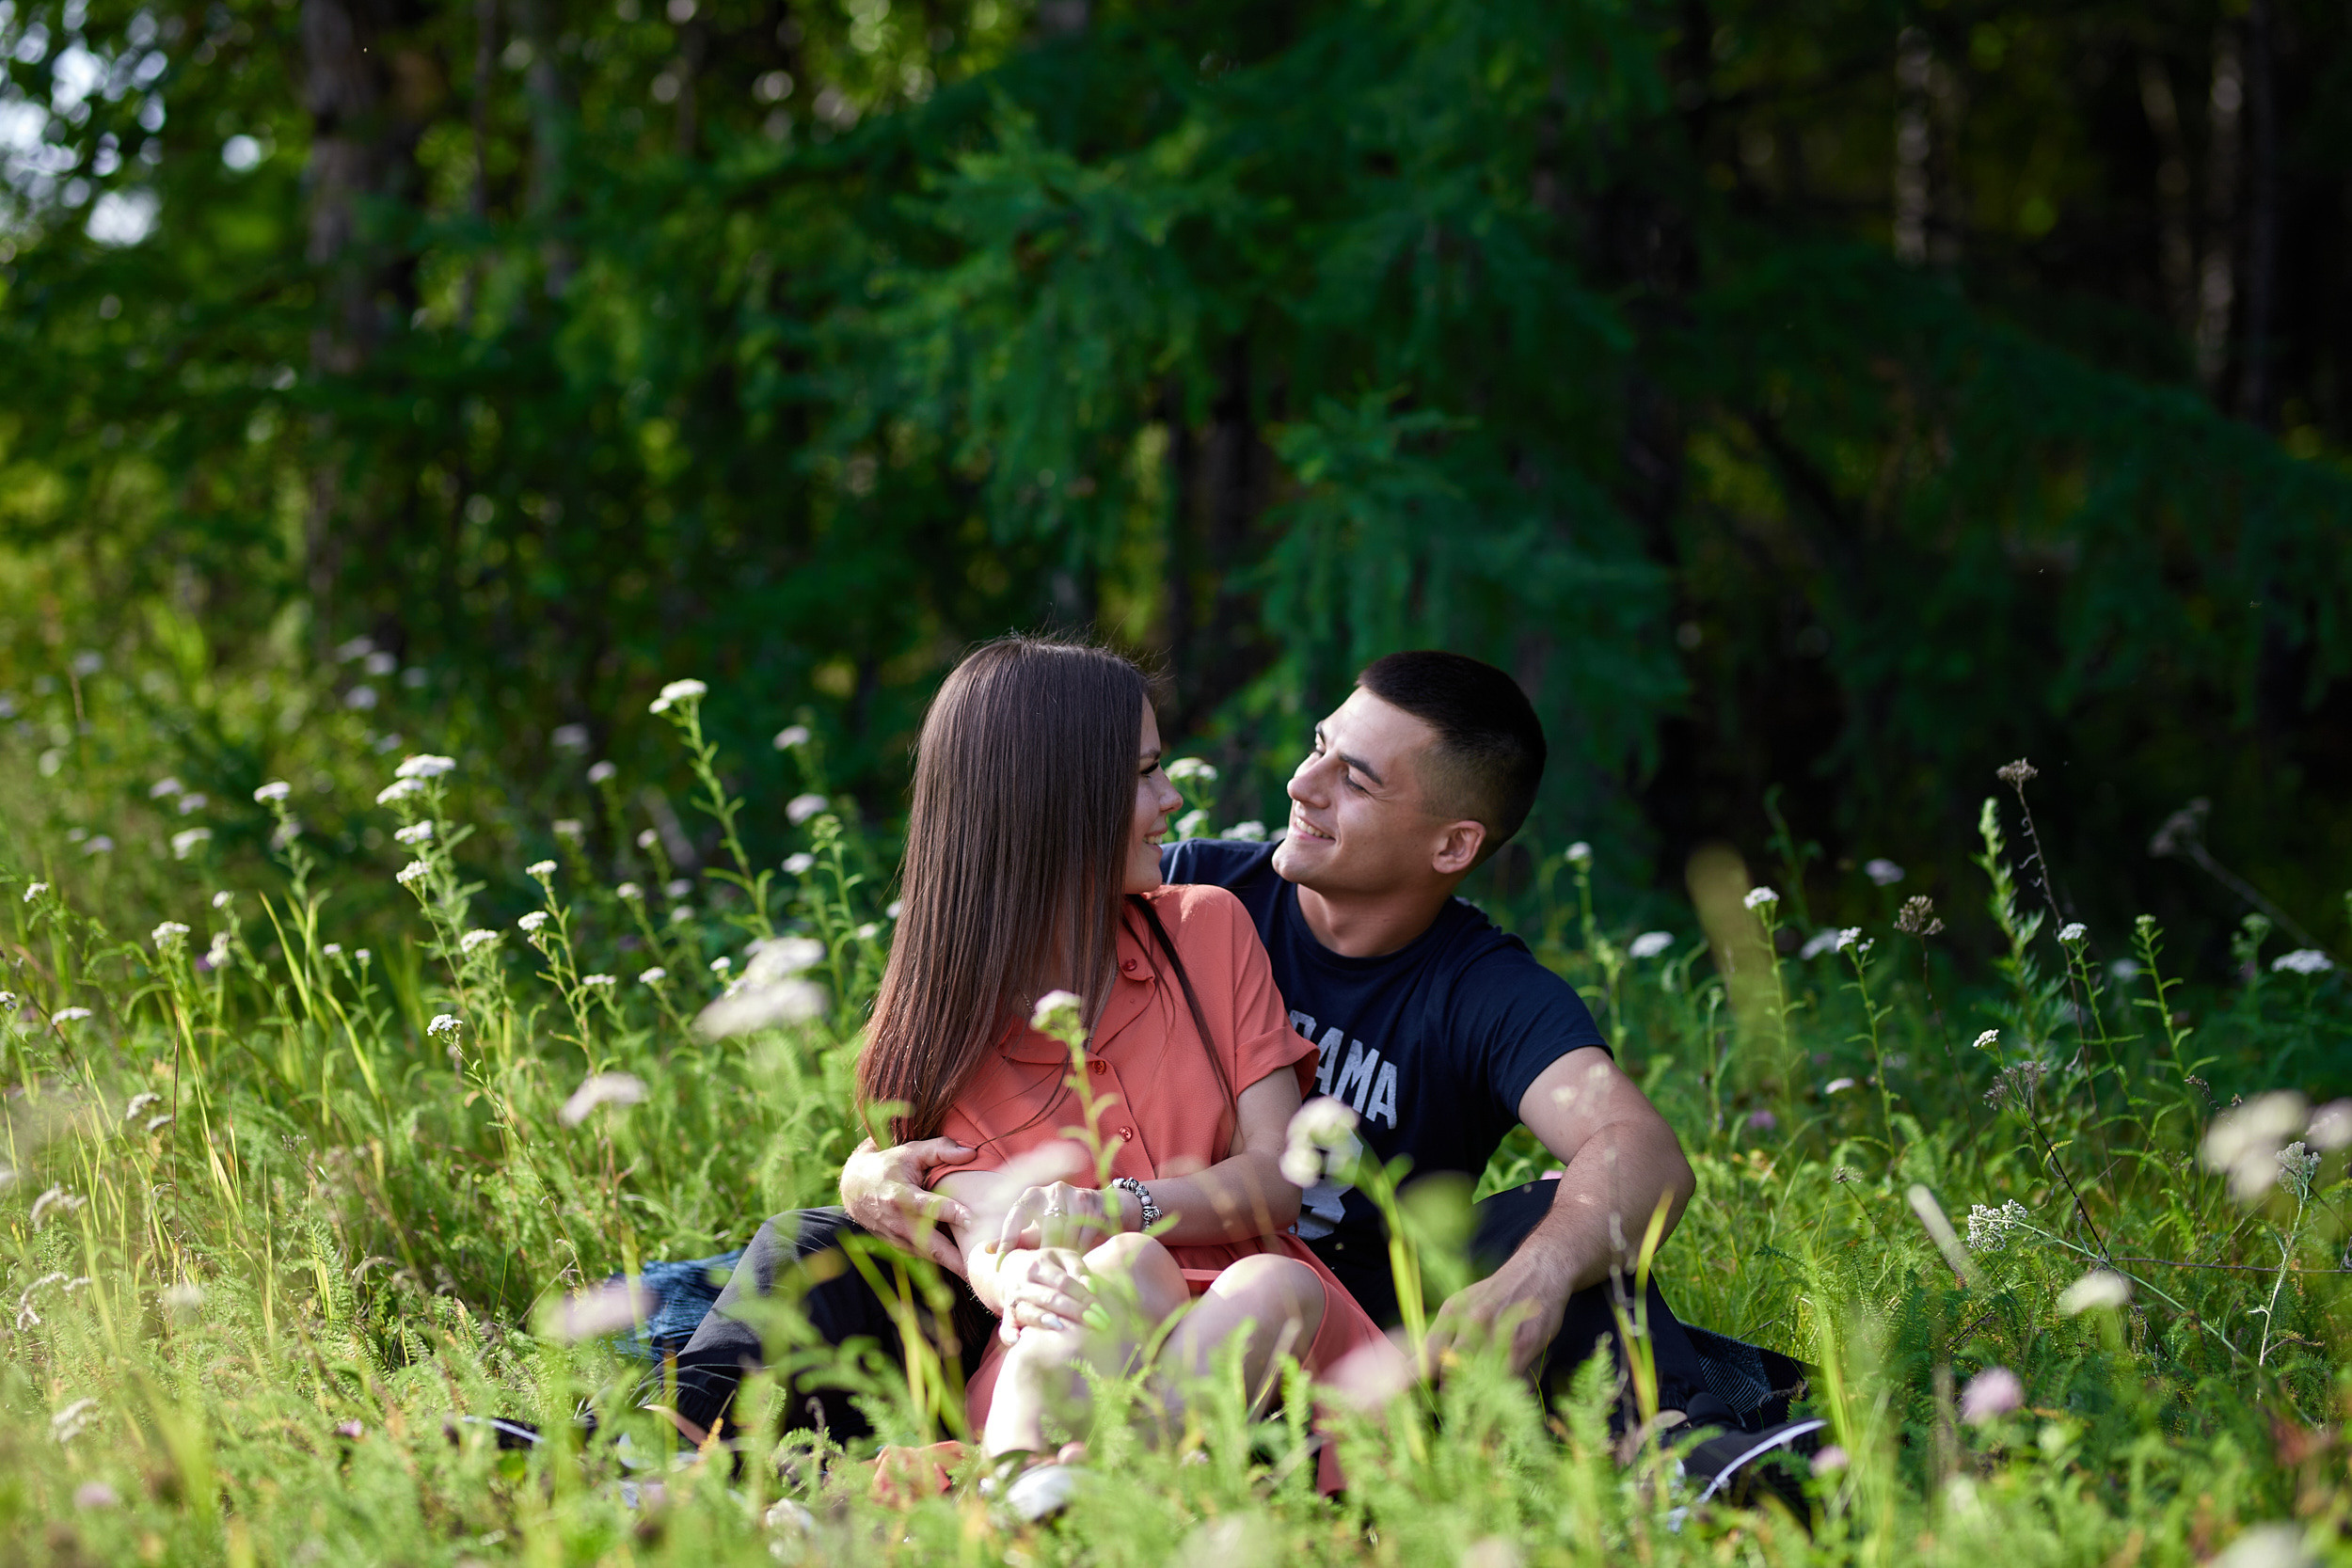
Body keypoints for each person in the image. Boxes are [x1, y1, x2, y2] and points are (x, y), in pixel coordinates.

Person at [667, 650, 1742, 1448]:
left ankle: (1692, 1467)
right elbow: (965, 1063)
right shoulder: (1186, 887)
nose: (1300, 784)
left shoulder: (1486, 990)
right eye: (1319, 745)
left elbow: (1634, 1147)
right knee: (810, 1239)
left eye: (1354, 778)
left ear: (1452, 843)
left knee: (1558, 1240)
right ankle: (665, 1445)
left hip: (1313, 1311)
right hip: (1078, 1294)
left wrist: (1542, 1276)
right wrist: (870, 1175)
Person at [738, 636, 1389, 1480]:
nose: (1172, 796)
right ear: (1057, 799)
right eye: (1145, 773)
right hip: (1068, 1349)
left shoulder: (1207, 928)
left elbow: (1275, 1181)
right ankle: (1062, 1498)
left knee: (1259, 1280)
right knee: (1125, 1270)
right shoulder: (934, 1024)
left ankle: (1034, 1503)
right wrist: (1008, 1278)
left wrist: (1115, 1205)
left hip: (1266, 1343)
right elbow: (975, 1231)